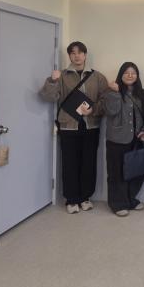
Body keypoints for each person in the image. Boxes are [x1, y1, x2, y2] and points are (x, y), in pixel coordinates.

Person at [40, 41, 108, 214]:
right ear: (69, 55)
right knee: (69, 163)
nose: (76, 56)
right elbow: (49, 97)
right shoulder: (62, 75)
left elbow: (105, 100)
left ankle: (85, 197)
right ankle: (71, 199)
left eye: (80, 52)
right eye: (73, 53)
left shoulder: (98, 77)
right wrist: (52, 81)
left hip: (91, 126)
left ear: (85, 55)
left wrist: (93, 109)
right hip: (68, 126)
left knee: (89, 163)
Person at [104, 62, 144, 217]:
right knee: (116, 173)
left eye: (133, 73)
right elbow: (111, 111)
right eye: (126, 73)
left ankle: (130, 199)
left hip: (137, 138)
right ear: (121, 75)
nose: (130, 75)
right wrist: (115, 92)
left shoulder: (141, 93)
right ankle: (117, 203)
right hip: (117, 139)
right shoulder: (112, 91)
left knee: (136, 172)